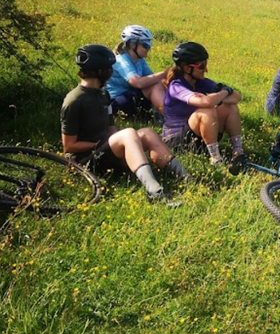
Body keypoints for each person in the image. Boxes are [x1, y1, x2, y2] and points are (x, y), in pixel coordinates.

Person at [60, 44, 189, 205]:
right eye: (109, 68)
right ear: (99, 71)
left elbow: (110, 127)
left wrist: (128, 144)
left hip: (105, 149)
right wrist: (109, 142)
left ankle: (187, 179)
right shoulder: (74, 101)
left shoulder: (103, 94)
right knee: (128, 133)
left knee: (146, 133)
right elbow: (69, 146)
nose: (111, 72)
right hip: (86, 159)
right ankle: (154, 191)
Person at [162, 42, 244, 165]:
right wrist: (219, 95)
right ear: (186, 68)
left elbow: (237, 96)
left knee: (230, 107)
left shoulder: (201, 82)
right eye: (201, 66)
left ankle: (238, 153)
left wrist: (220, 95)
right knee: (207, 110)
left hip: (197, 134)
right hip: (177, 140)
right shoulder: (176, 86)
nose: (206, 69)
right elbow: (206, 103)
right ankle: (216, 159)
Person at [105, 25, 167, 117]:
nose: (148, 49)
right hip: (115, 102)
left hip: (129, 98)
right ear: (132, 45)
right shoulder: (121, 60)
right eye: (145, 46)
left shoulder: (139, 60)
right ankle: (171, 120)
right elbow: (137, 83)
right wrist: (165, 73)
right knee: (155, 86)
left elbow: (153, 79)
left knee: (162, 83)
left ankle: (173, 113)